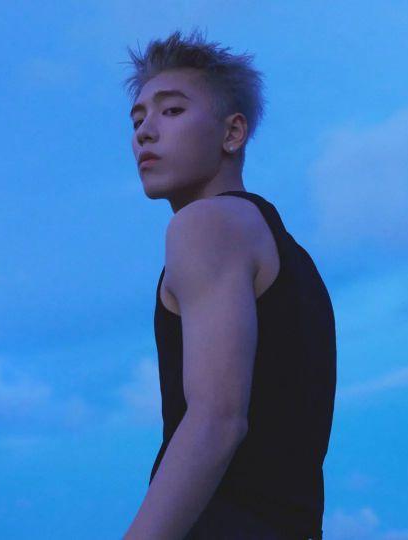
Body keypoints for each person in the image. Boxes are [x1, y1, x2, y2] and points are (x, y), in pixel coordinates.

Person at [120, 27, 336, 540]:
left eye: (172, 110)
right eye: (138, 118)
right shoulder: (288, 254)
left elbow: (217, 421)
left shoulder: (205, 225)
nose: (146, 131)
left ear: (233, 133)